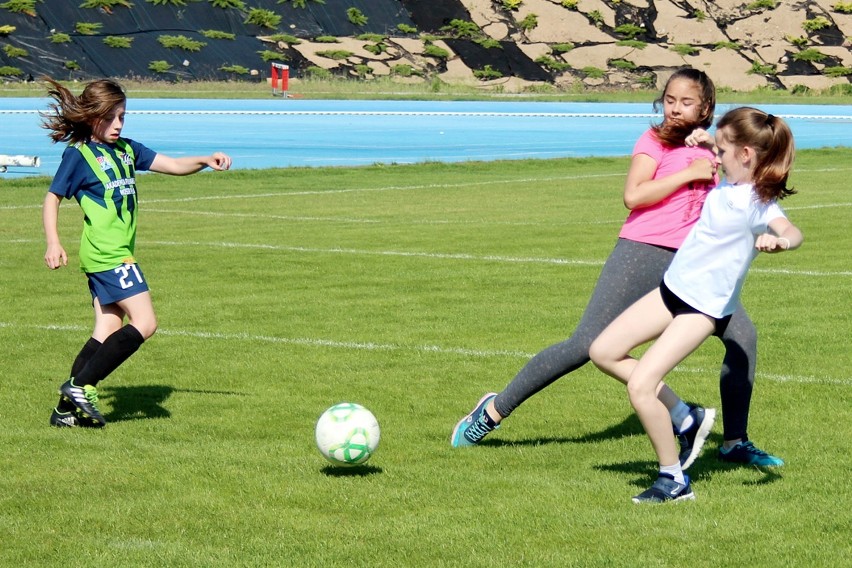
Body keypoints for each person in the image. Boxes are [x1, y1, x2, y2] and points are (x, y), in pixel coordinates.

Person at [451, 68, 784, 468]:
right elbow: (633, 195)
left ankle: (734, 442)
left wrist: (713, 150)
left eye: (686, 102)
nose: (675, 109)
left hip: (694, 266)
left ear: (706, 108)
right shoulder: (653, 141)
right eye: (670, 100)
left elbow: (748, 164)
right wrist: (688, 173)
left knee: (743, 337)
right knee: (584, 346)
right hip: (642, 252)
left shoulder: (714, 148)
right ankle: (492, 412)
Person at [589, 107, 801, 503]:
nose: (713, 157)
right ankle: (688, 416)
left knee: (641, 386)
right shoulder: (730, 179)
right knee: (602, 351)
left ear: (746, 155)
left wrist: (781, 241)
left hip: (701, 309)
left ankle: (673, 479)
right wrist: (708, 140)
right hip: (672, 291)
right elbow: (721, 155)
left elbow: (792, 230)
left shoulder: (759, 202)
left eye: (721, 150)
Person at [41, 77, 232, 428]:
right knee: (146, 323)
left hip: (110, 255)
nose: (117, 125)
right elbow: (53, 197)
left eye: (122, 117)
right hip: (110, 255)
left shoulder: (127, 150)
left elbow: (173, 166)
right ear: (91, 116)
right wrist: (53, 241)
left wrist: (205, 159)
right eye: (110, 117)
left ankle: (64, 412)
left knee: (106, 330)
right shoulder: (79, 155)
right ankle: (80, 386)